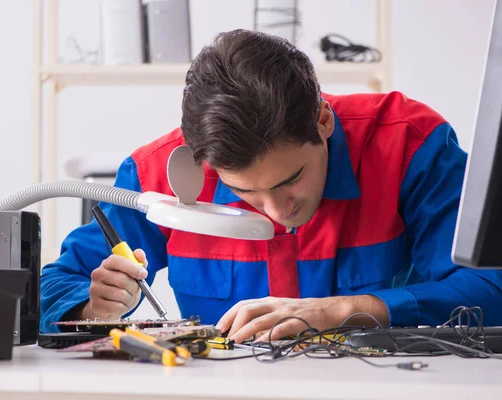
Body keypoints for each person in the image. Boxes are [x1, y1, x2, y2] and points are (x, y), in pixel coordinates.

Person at [40, 29, 502, 343]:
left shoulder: (408, 145)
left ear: (322, 120)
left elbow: (490, 288)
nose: (276, 211)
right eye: (244, 192)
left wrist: (349, 309)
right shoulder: (159, 174)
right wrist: (91, 308)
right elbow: (54, 284)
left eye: (291, 180)